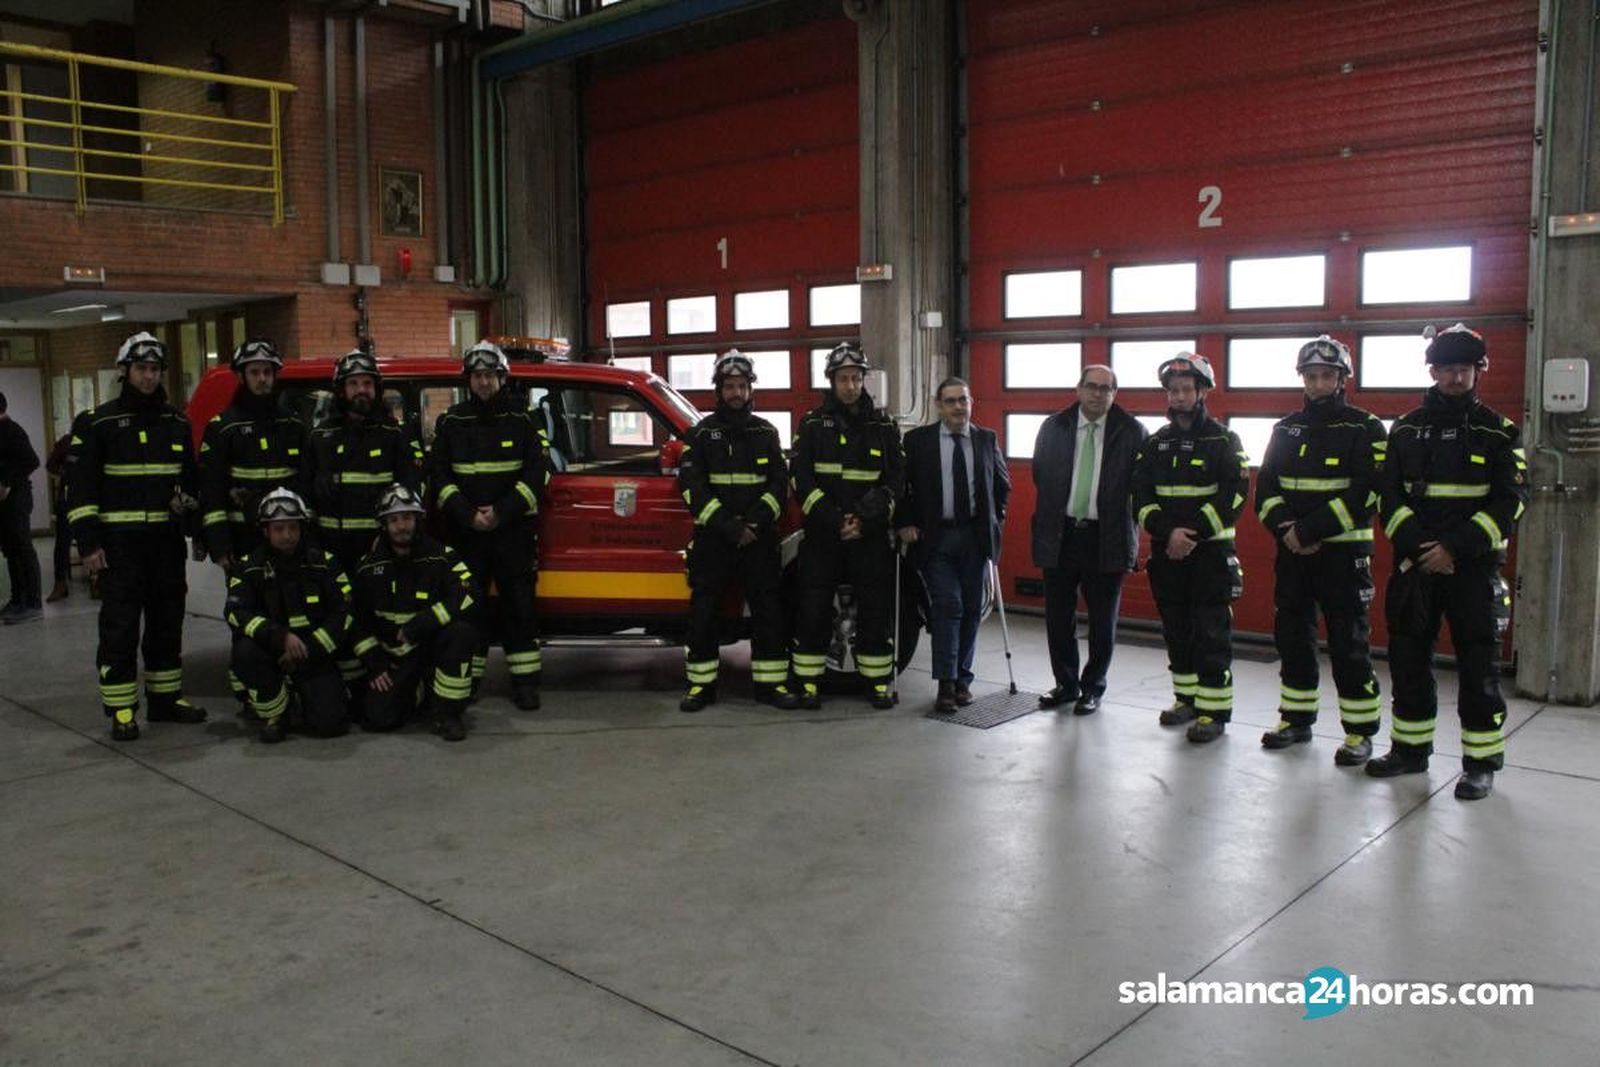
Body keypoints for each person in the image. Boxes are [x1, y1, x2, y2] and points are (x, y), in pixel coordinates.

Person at [1369, 324, 1528, 800]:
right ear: (1433, 371)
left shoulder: (1499, 433)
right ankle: (1410, 751)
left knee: (1478, 667)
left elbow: (1511, 502)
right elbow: (1387, 496)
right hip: (1416, 567)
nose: (1456, 379)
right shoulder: (1406, 429)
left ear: (1478, 371)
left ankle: (1480, 764)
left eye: (1465, 370)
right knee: (1408, 660)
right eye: (1447, 370)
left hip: (1472, 569)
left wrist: (1453, 549)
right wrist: (1423, 549)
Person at [65, 332, 208, 741]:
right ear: (125, 371)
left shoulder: (176, 423)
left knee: (167, 622)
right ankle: (123, 709)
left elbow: (190, 481)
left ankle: (165, 700)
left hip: (165, 544)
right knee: (120, 627)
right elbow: (81, 488)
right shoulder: (98, 423)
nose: (149, 377)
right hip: (119, 547)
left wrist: (193, 523)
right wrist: (88, 543)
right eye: (141, 369)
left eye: (155, 369)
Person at [1254, 336, 1388, 764]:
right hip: (1293, 553)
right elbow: (1266, 489)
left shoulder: (1365, 428)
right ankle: (1296, 719)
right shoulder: (1284, 428)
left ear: (1342, 379)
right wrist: (1286, 529)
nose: (1317, 384)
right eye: (1310, 377)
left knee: (1349, 643)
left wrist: (1311, 530)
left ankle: (1360, 733)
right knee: (1293, 637)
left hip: (1343, 557)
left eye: (1326, 376)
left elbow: (1370, 493)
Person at [1130, 352, 1249, 743]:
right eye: (1173, 390)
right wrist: (1168, 534)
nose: (1178, 397)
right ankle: (1187, 699)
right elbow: (1141, 499)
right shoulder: (1155, 444)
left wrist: (1189, 536)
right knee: (1177, 631)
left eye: (1186, 390)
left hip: (1210, 557)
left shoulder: (1225, 440)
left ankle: (1213, 712)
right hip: (1169, 556)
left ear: (1201, 393)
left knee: (1211, 633)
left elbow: (1234, 498)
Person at [427, 341, 549, 710]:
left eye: (490, 376)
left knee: (520, 609)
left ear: (502, 378)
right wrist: (467, 514)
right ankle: (467, 679)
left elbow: (537, 475)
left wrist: (501, 512)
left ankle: (525, 684)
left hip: (512, 533)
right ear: (469, 380)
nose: (484, 383)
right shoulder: (450, 422)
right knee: (468, 607)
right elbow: (437, 476)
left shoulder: (524, 421)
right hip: (467, 534)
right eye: (477, 376)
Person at [676, 350, 798, 712]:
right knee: (703, 611)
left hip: (759, 539)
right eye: (729, 386)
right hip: (715, 538)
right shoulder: (699, 435)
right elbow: (691, 488)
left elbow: (779, 485)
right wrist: (730, 527)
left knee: (768, 611)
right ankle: (701, 686)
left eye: (741, 386)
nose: (735, 393)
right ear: (718, 390)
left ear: (750, 390)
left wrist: (756, 522)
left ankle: (770, 685)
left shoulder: (767, 432)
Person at [790, 343, 905, 710]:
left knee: (874, 609)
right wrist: (836, 519)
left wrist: (866, 518)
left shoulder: (883, 426)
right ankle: (808, 681)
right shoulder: (810, 424)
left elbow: (896, 480)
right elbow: (801, 480)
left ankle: (877, 682)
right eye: (843, 379)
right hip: (824, 536)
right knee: (812, 608)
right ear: (832, 381)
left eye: (857, 378)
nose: (851, 385)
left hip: (868, 538)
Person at [1029, 365, 1147, 715]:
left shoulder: (1133, 432)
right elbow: (1041, 475)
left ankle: (1093, 687)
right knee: (1058, 616)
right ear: (1078, 389)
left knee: (1102, 619)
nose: (1098, 394)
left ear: (1115, 393)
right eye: (1092, 387)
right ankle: (1066, 684)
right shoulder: (1054, 427)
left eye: (1106, 388)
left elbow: (1141, 486)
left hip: (1106, 537)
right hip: (1061, 533)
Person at [307, 349, 423, 693]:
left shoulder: (394, 435)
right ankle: (346, 687)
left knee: (374, 616)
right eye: (354, 383)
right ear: (341, 390)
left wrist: (390, 541)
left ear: (377, 389)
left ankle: (377, 682)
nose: (362, 390)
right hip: (331, 550)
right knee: (337, 615)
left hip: (378, 551)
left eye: (368, 384)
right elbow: (304, 499)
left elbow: (409, 492)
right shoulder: (319, 436)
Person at [897, 376, 1009, 713]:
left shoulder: (986, 440)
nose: (959, 407)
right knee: (949, 606)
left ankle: (963, 680)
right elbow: (901, 487)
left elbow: (1002, 485)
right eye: (951, 401)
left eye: (964, 400)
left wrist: (995, 521)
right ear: (938, 404)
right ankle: (946, 683)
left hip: (974, 537)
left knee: (973, 610)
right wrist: (904, 522)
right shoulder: (918, 441)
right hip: (936, 537)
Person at [349, 484, 478, 741]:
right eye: (394, 520)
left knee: (461, 633)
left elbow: (469, 595)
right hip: (394, 658)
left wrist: (422, 624)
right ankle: (420, 692)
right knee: (378, 719)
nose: (402, 526)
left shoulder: (442, 557)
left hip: (431, 649)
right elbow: (356, 621)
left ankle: (449, 713)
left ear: (418, 520)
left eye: (407, 517)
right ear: (383, 525)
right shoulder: (367, 568)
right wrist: (374, 664)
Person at [224, 488, 354, 743]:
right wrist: (280, 638)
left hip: (312, 653)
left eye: (293, 528)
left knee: (331, 725)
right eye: (279, 529)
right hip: (270, 652)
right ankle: (277, 715)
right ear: (265, 531)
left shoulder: (325, 564)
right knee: (245, 651)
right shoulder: (248, 567)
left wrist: (309, 648)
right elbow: (235, 613)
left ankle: (299, 696)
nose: (288, 536)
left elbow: (344, 613)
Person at [199, 339, 310, 572]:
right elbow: (211, 490)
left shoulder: (293, 425)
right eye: (255, 372)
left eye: (268, 372)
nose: (262, 379)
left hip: (288, 541)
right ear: (241, 376)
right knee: (245, 606)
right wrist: (219, 544)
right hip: (242, 539)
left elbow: (305, 484)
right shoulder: (223, 427)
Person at [0, 389, 42, 624]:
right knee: (11, 550)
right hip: (4, 504)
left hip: (17, 499)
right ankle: (17, 600)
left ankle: (34, 603)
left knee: (23, 548)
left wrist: (7, 483)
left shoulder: (12, 431)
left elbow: (31, 461)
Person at [45, 431, 72, 602]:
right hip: (67, 500)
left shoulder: (99, 438)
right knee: (62, 544)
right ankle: (60, 584)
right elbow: (51, 465)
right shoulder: (66, 442)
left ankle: (100, 581)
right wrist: (66, 472)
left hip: (93, 497)